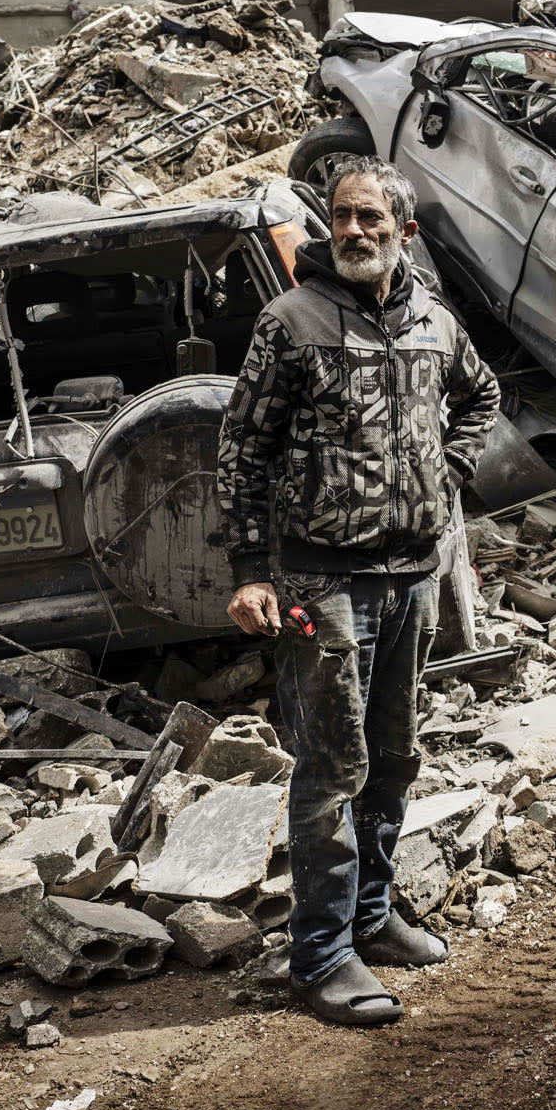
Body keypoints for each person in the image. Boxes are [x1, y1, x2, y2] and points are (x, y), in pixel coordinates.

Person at [215, 159, 500, 1027]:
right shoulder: (289, 323)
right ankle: (322, 954)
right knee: (333, 766)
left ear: (404, 231)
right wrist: (249, 572)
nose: (353, 231)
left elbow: (481, 397)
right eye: (341, 216)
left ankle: (373, 918)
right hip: (319, 577)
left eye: (371, 217)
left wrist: (444, 477)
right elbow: (241, 451)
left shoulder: (435, 324)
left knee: (397, 754)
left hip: (409, 575)